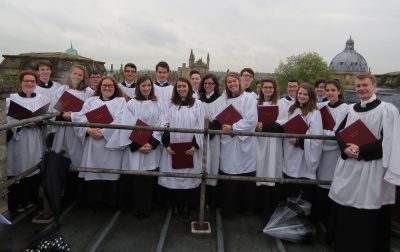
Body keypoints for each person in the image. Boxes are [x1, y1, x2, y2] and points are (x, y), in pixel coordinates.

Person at [329, 73, 400, 252]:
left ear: (374, 87)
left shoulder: (387, 110)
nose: (361, 89)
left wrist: (362, 150)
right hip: (350, 167)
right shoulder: (350, 109)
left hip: (372, 168)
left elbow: (390, 142)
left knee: (368, 207)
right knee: (347, 206)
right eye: (358, 86)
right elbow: (339, 133)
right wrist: (345, 148)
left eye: (365, 85)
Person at [107, 75, 162, 218]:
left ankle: (144, 208)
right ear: (138, 87)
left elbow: (161, 124)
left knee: (147, 180)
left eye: (149, 85)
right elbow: (126, 125)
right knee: (134, 178)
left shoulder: (157, 104)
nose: (146, 88)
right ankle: (130, 206)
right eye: (143, 86)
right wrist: (137, 145)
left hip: (150, 146)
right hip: (135, 147)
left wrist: (152, 143)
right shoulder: (131, 104)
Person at [210, 72, 257, 216]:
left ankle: (245, 208)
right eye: (229, 82)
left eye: (234, 81)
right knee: (229, 176)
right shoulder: (224, 100)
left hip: (244, 143)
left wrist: (234, 127)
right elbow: (216, 116)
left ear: (240, 81)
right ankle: (228, 209)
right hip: (228, 144)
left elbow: (251, 120)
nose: (232, 84)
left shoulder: (249, 98)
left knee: (244, 175)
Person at [75, 77, 125, 211]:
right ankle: (93, 203)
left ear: (115, 88)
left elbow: (120, 120)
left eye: (110, 86)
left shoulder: (120, 102)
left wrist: (103, 132)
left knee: (111, 172)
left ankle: (110, 204)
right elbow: (80, 118)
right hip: (92, 143)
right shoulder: (91, 101)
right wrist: (88, 130)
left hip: (111, 145)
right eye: (104, 85)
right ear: (100, 87)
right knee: (93, 172)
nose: (107, 88)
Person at [159, 77, 205, 218]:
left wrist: (195, 145)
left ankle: (186, 206)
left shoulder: (197, 104)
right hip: (173, 147)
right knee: (174, 177)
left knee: (189, 177)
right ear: (176, 89)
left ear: (189, 88)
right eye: (179, 87)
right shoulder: (170, 104)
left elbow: (201, 125)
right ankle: (174, 205)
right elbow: (163, 123)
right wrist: (166, 143)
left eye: (184, 86)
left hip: (190, 147)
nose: (181, 89)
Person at [6, 70, 50, 213]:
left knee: (34, 167)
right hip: (19, 139)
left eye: (32, 81)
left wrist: (38, 122)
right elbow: (7, 119)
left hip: (35, 137)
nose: (29, 84)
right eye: (26, 81)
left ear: (36, 83)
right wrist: (22, 123)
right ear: (21, 83)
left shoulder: (42, 99)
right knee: (18, 167)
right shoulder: (11, 99)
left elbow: (47, 117)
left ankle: (32, 199)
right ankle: (18, 202)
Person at [51, 64, 94, 204]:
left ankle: (78, 195)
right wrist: (61, 114)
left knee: (77, 160)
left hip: (78, 131)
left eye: (80, 75)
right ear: (70, 74)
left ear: (84, 77)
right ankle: (62, 194)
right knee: (61, 159)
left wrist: (74, 115)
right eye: (74, 74)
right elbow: (53, 109)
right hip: (63, 129)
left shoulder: (89, 92)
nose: (76, 76)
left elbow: (90, 111)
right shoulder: (62, 89)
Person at [313, 79, 348, 230]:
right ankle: (318, 218)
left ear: (339, 91)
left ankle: (329, 221)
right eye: (327, 90)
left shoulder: (346, 109)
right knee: (320, 185)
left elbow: (338, 133)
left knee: (331, 184)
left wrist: (318, 133)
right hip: (322, 152)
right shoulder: (322, 106)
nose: (330, 93)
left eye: (333, 90)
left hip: (335, 153)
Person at [279, 83, 323, 202]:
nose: (302, 96)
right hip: (289, 153)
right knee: (289, 188)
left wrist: (299, 140)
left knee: (301, 191)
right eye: (300, 93)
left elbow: (316, 137)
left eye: (305, 94)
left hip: (303, 157)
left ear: (311, 96)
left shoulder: (314, 112)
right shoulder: (292, 109)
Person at [255, 77, 284, 217]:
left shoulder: (281, 103)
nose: (267, 89)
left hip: (274, 142)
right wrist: (257, 126)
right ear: (261, 89)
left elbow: (283, 123)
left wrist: (264, 126)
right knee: (260, 169)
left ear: (274, 89)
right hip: (259, 141)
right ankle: (258, 206)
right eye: (265, 87)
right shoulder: (255, 103)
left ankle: (271, 207)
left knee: (272, 169)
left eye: (270, 87)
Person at [198, 73, 221, 208]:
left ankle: (211, 202)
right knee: (200, 166)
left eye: (210, 84)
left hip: (212, 139)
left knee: (212, 167)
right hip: (200, 137)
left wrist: (208, 133)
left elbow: (219, 119)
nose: (208, 86)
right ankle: (200, 200)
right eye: (205, 83)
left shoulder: (220, 100)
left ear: (215, 85)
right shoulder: (198, 100)